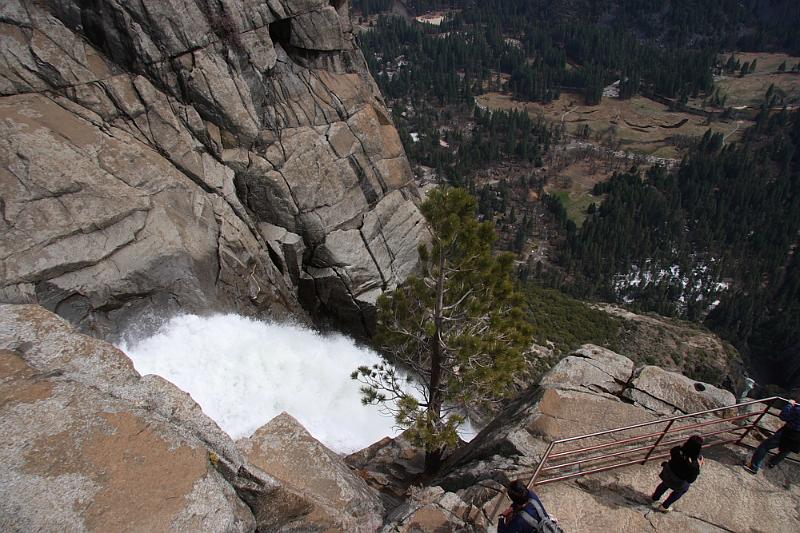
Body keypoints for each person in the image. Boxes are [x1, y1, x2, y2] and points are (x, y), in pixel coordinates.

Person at [745, 397, 800, 473]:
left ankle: (754, 467)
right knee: (786, 449)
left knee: (764, 446)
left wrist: (789, 405)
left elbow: (783, 416)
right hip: (797, 439)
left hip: (788, 433)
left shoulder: (798, 410)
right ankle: (773, 463)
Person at [651, 435, 704, 512]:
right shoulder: (694, 465)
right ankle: (664, 506)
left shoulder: (677, 450)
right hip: (678, 482)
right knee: (682, 490)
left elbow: (672, 451)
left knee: (664, 484)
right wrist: (699, 466)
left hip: (668, 474)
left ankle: (654, 497)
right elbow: (691, 480)